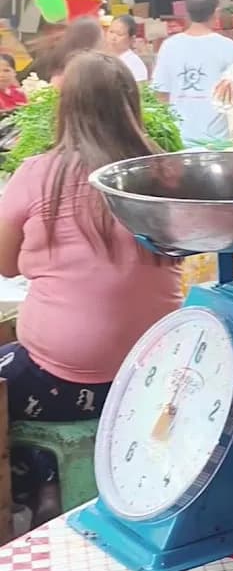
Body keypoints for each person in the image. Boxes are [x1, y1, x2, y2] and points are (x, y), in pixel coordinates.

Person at [0, 52, 181, 517]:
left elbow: (3, 266)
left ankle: (30, 490)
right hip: (155, 369)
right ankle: (52, 481)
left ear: (66, 107)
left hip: (55, 377)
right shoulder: (165, 174)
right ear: (132, 105)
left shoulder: (38, 173)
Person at [152, 0, 233, 144]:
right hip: (216, 141)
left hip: (178, 139)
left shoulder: (169, 46)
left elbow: (161, 94)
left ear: (186, 13)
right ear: (216, 12)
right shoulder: (227, 46)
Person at [107, 13, 148, 82]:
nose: (113, 37)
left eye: (119, 34)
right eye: (111, 32)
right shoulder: (101, 57)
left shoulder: (135, 63)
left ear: (131, 39)